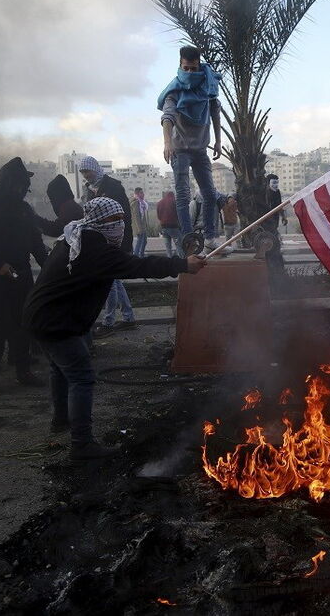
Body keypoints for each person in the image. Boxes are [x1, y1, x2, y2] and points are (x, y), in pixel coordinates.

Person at [23, 197, 206, 460]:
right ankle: (82, 444)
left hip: (44, 316)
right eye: (114, 220)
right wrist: (182, 265)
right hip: (55, 322)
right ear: (99, 221)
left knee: (60, 370)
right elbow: (137, 266)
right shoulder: (92, 249)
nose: (120, 226)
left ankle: (61, 421)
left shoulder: (79, 237)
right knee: (81, 376)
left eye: (122, 219)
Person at [0, 157, 48, 399]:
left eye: (25, 186)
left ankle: (23, 371)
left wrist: (49, 267)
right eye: (19, 185)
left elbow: (36, 242)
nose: (23, 190)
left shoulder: (24, 209)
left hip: (22, 274)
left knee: (24, 324)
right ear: (7, 183)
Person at [158, 45, 230, 255]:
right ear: (180, 66)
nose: (189, 73)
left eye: (193, 68)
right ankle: (189, 242)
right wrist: (167, 143)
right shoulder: (175, 90)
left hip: (200, 150)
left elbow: (216, 112)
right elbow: (167, 117)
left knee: (209, 194)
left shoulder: (208, 86)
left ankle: (209, 239)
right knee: (183, 195)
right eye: (186, 68)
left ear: (199, 65)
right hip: (180, 150)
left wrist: (218, 141)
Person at [78, 155, 136, 336]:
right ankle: (128, 318)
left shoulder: (113, 186)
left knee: (108, 281)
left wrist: (126, 242)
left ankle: (109, 322)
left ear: (95, 169)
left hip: (114, 240)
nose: (85, 175)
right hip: (99, 241)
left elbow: (124, 215)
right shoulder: (88, 190)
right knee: (114, 279)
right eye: (83, 172)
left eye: (87, 171)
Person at [156, 191, 184, 257]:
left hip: (163, 227)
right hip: (173, 226)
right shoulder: (174, 201)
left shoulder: (160, 203)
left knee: (168, 246)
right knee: (179, 244)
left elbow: (158, 216)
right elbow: (178, 214)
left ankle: (169, 260)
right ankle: (181, 260)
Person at [131, 187, 148, 257]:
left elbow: (143, 216)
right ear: (137, 194)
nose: (143, 194)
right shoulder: (136, 203)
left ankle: (141, 255)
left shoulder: (142, 203)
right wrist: (139, 229)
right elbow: (136, 217)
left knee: (144, 241)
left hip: (142, 226)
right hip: (139, 227)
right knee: (140, 242)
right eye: (141, 193)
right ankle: (136, 256)